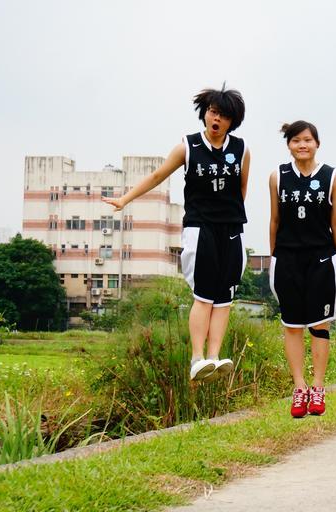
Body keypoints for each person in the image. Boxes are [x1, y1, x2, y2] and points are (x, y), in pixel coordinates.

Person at [103, 85, 249, 382]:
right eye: (213, 112)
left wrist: (230, 216)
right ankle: (197, 358)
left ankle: (214, 357)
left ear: (232, 121)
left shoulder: (241, 149)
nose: (216, 119)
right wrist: (125, 199)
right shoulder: (188, 146)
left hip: (232, 229)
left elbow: (241, 188)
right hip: (200, 227)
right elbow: (158, 175)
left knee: (224, 300)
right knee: (204, 296)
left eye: (223, 116)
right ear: (205, 113)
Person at [268, 121, 336, 418]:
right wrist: (274, 257)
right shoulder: (278, 176)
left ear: (317, 144)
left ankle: (318, 387)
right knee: (292, 326)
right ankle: (299, 387)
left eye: (307, 140)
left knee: (320, 325)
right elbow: (274, 220)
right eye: (296, 140)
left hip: (321, 259)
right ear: (289, 145)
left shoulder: (332, 176)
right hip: (287, 258)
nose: (302, 145)